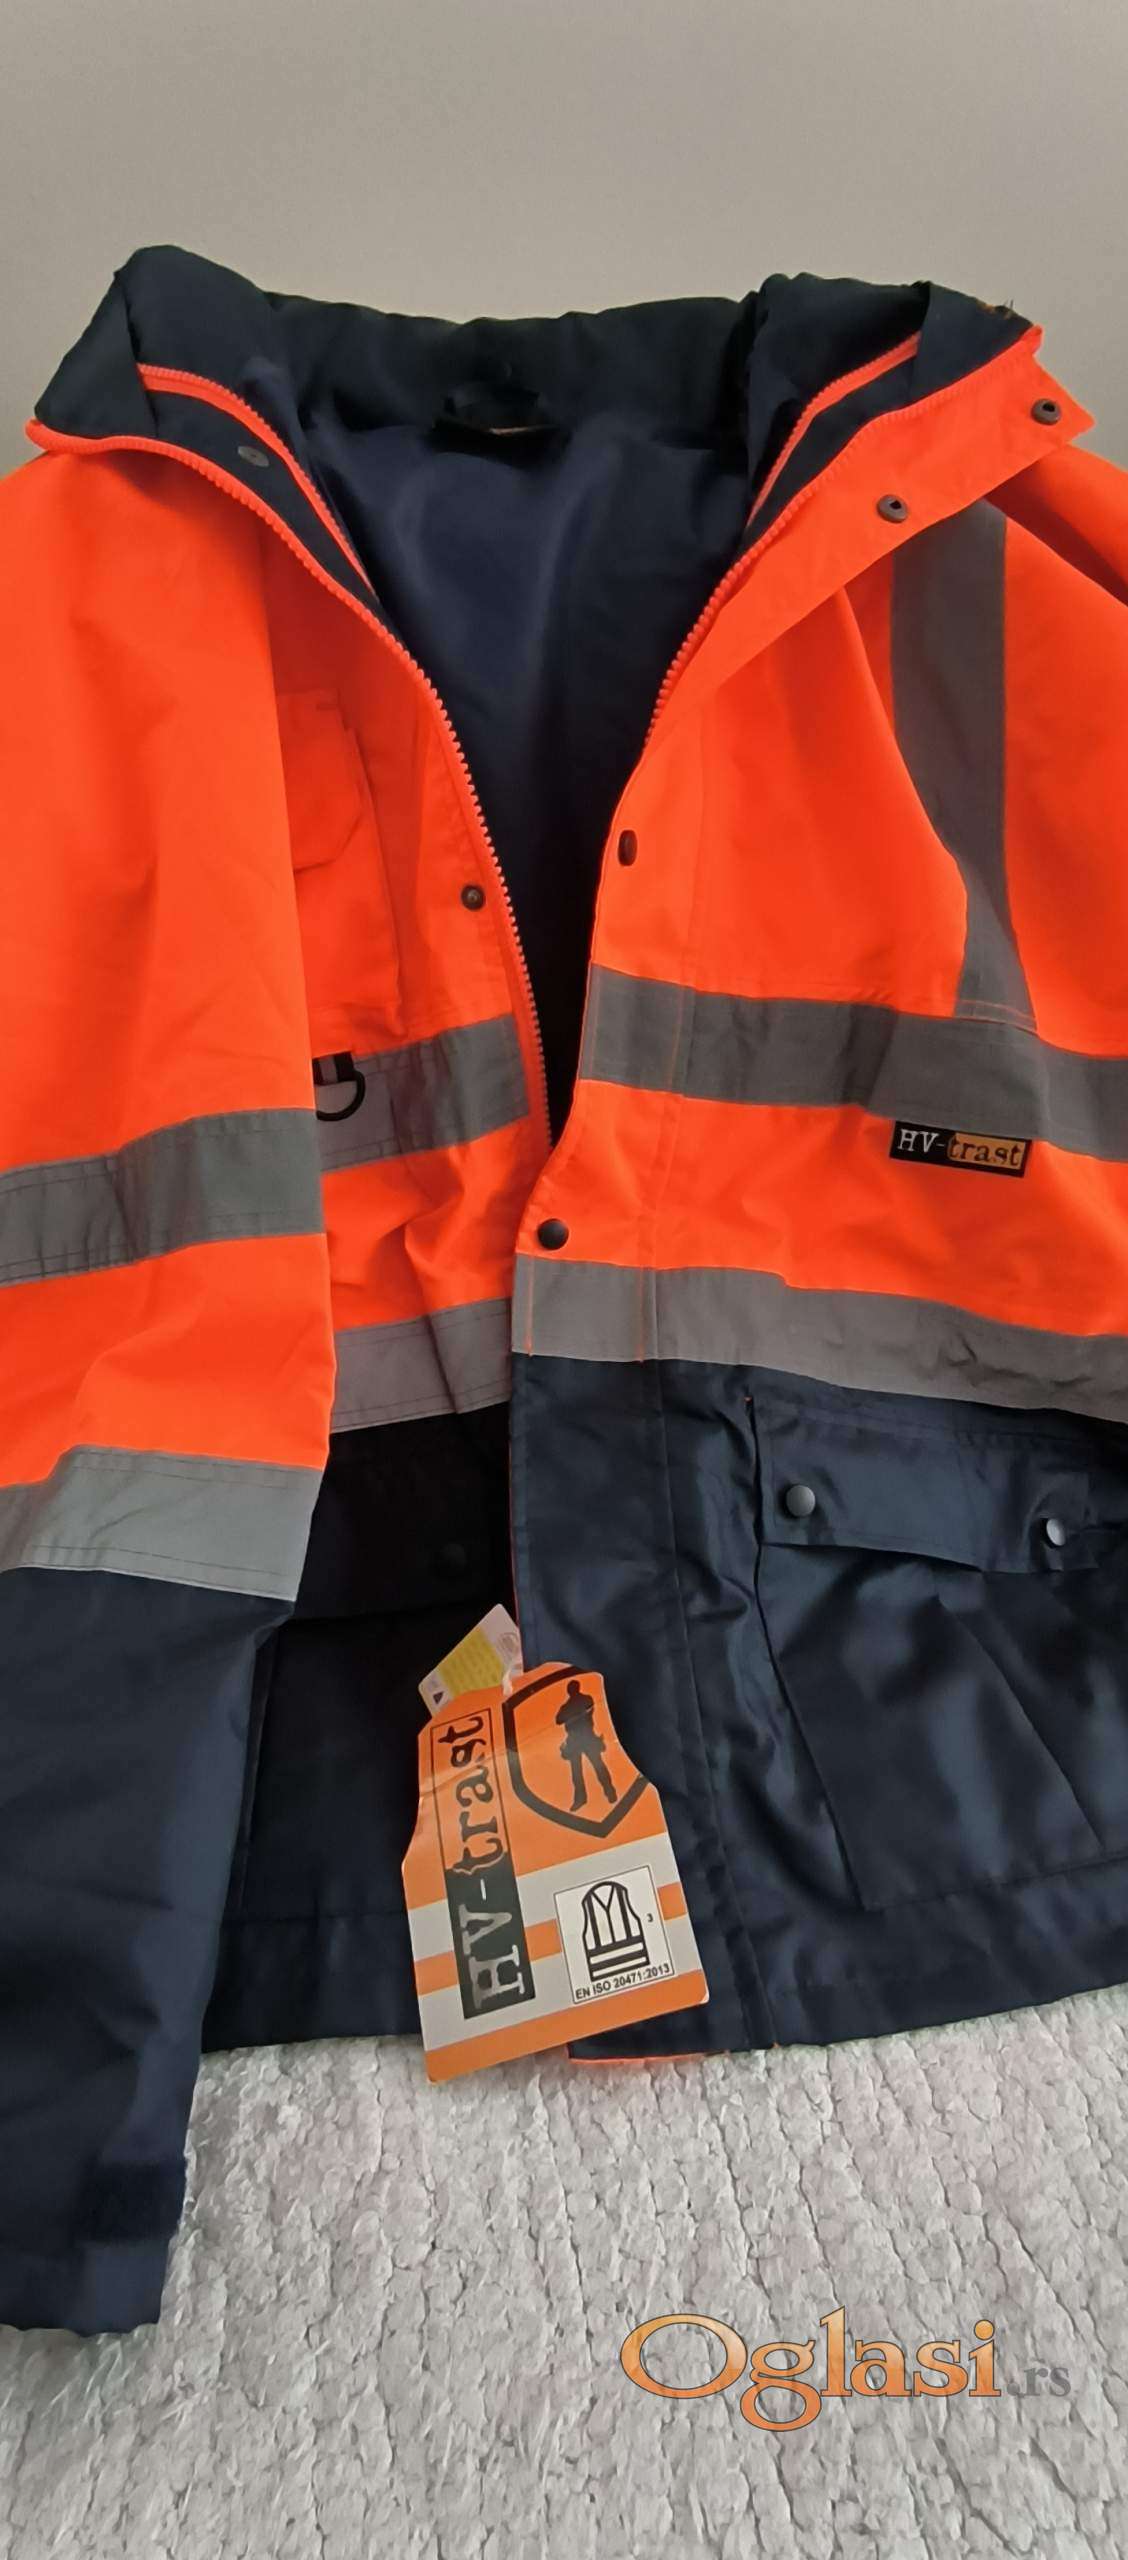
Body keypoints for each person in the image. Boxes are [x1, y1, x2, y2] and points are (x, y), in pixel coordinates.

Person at [555, 1679, 618, 1810]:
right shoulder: (568, 1706)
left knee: (597, 1766)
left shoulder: (583, 1700)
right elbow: (558, 1720)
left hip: (586, 1736)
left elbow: (563, 1718)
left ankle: (609, 1792)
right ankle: (582, 1798)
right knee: (579, 1771)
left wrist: (572, 1715)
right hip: (576, 1739)